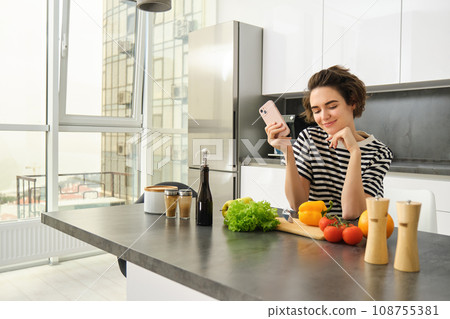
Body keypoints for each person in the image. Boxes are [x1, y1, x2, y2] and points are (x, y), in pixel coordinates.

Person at [265, 65, 393, 220]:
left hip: (357, 237)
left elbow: (352, 213)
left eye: (332, 106)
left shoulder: (378, 152)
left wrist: (354, 152)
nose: (324, 117)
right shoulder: (309, 139)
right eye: (317, 110)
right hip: (317, 234)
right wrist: (287, 151)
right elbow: (298, 204)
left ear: (352, 102)